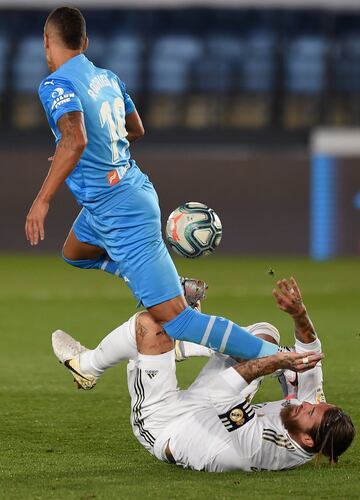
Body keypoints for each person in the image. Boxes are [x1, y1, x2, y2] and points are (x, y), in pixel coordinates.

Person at [25, 6, 280, 361]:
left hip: (119, 209)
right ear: (84, 42)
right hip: (119, 195)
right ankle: (176, 286)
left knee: (178, 322)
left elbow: (75, 139)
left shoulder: (56, 84)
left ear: (46, 42)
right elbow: (135, 129)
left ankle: (281, 359)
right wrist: (87, 151)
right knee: (75, 253)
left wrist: (43, 199)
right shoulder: (107, 77)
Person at [52, 277, 355, 471]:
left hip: (169, 425)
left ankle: (86, 366)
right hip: (214, 409)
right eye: (315, 404)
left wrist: (276, 363)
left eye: (310, 413)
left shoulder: (263, 447)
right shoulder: (311, 418)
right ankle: (184, 343)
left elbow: (221, 392)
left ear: (307, 441)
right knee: (264, 338)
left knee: (149, 324)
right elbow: (311, 351)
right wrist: (298, 313)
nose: (307, 404)